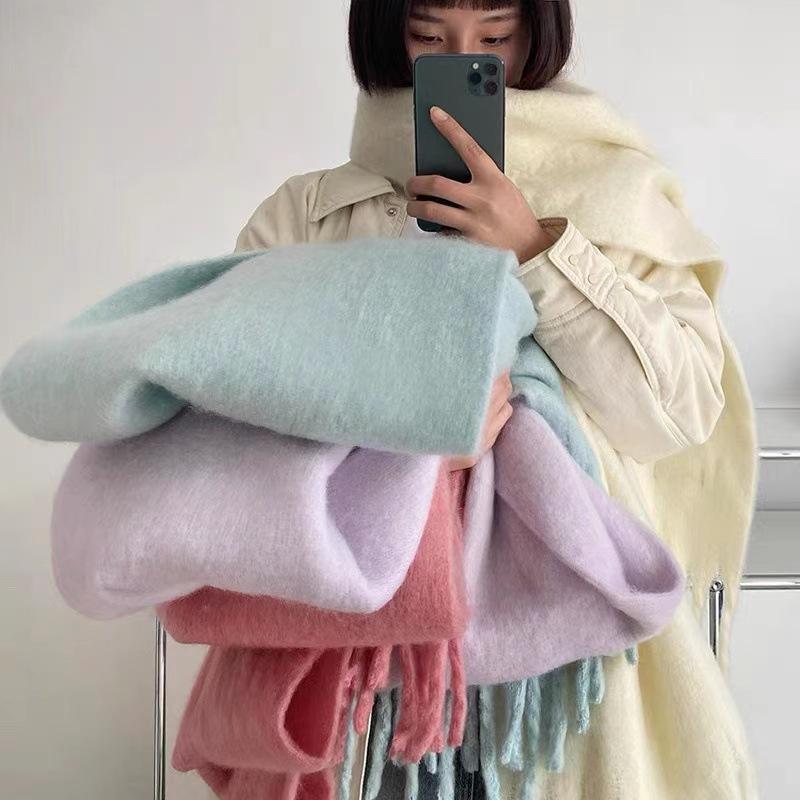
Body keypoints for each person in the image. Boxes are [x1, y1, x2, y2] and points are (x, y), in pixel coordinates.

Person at [232, 2, 759, 798]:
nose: (462, 56)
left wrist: (539, 251)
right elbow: (234, 452)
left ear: (538, 33)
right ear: (385, 32)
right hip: (367, 694)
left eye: (495, 36)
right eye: (427, 34)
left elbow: (678, 413)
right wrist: (404, 445)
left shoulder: (623, 203)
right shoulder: (305, 217)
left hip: (574, 693)